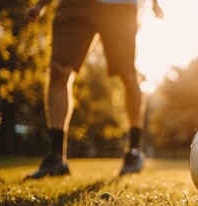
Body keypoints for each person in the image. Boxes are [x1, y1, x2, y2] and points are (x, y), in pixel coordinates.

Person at [24, 0, 164, 179]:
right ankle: (56, 157)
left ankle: (134, 151)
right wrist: (41, 4)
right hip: (76, 4)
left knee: (127, 74)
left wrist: (155, 3)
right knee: (58, 70)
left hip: (119, 6)